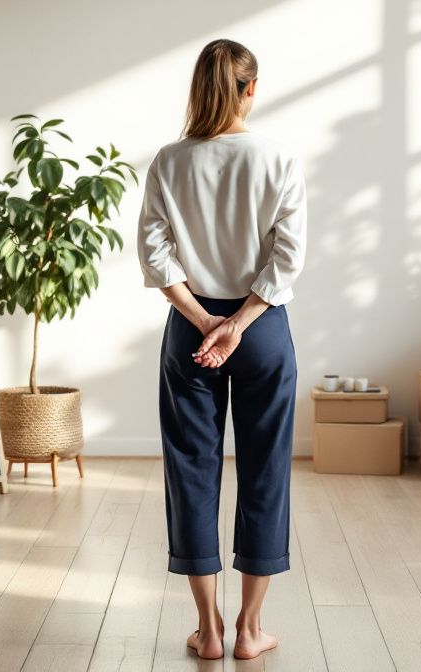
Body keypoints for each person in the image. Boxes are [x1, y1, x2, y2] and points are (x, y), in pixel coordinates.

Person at [137, 38, 307, 661]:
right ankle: (248, 630)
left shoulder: (169, 161)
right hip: (260, 329)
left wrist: (206, 319)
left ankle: (206, 630)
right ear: (250, 89)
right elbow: (288, 256)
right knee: (265, 469)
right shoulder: (277, 156)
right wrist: (238, 323)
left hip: (190, 327)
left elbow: (155, 256)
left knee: (191, 469)